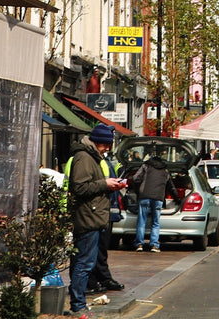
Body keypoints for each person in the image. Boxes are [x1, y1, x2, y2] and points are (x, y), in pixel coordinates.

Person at [67, 124, 124, 319]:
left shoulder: (92, 157)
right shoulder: (84, 158)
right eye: (105, 144)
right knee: (84, 263)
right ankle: (78, 305)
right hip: (88, 218)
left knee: (83, 262)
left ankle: (78, 303)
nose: (107, 148)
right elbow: (79, 187)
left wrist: (109, 186)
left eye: (109, 145)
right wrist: (104, 184)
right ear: (96, 142)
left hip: (93, 216)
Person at [130, 150, 172, 252]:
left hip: (144, 196)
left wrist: (136, 189)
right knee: (155, 222)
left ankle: (139, 244)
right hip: (158, 198)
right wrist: (178, 199)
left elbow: (135, 178)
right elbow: (170, 186)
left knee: (141, 221)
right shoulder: (165, 170)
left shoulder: (146, 166)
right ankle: (154, 245)